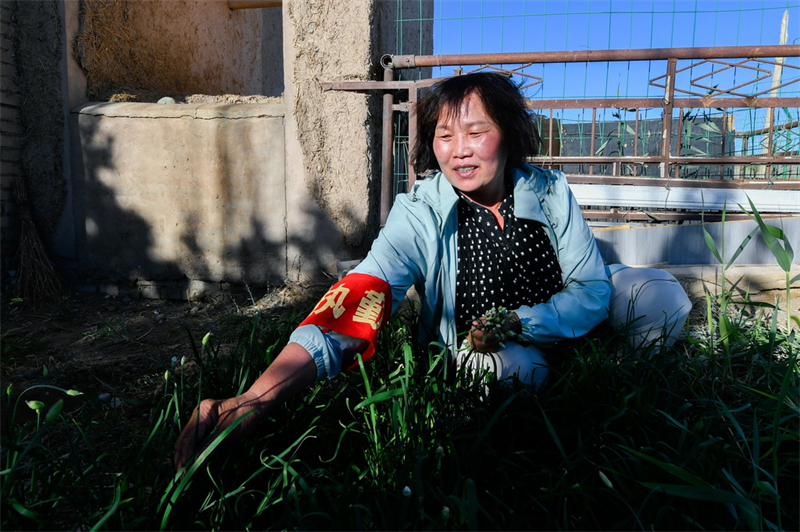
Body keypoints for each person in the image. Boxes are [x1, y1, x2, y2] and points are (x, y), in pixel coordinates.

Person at [173, 73, 691, 470]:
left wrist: (518, 321)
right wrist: (256, 399)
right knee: (500, 371)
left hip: (556, 321)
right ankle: (558, 392)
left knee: (658, 293)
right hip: (486, 348)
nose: (458, 149)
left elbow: (592, 287)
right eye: (444, 135)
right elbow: (361, 295)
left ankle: (617, 379)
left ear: (508, 135)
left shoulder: (551, 191)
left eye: (475, 131)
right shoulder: (419, 210)